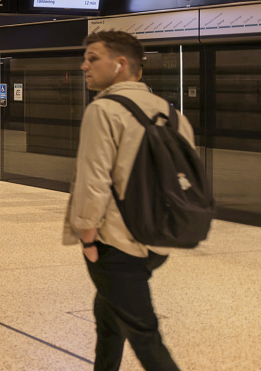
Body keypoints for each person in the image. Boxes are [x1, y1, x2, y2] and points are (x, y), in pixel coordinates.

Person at [64, 30, 193, 371]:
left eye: (93, 58)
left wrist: (88, 239)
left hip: (116, 244)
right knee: (108, 315)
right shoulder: (172, 112)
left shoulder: (104, 109)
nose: (84, 66)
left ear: (120, 64)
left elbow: (94, 181)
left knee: (144, 335)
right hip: (158, 241)